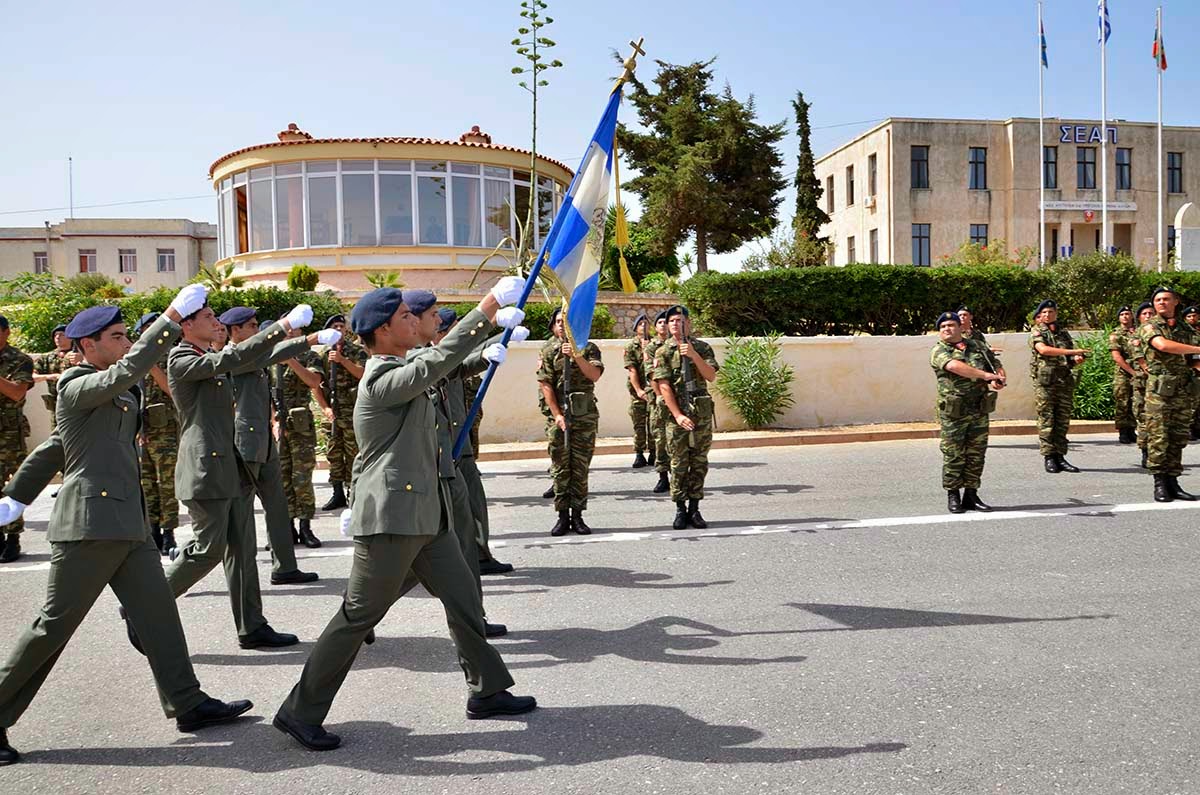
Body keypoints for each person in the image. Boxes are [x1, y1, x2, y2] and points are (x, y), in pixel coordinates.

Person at [272, 278, 537, 753]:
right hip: (392, 518)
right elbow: (437, 361)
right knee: (357, 617)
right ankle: (300, 710)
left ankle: (488, 689)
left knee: (462, 599)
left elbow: (441, 360)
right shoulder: (380, 378)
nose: (415, 321)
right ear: (382, 331)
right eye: (406, 318)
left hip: (426, 517)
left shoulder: (406, 362)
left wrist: (491, 333)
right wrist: (488, 306)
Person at [0, 292, 254, 766]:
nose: (123, 343)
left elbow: (58, 447)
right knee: (52, 627)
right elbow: (67, 437)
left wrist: (15, 496)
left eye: (124, 336)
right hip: (89, 527)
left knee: (158, 616)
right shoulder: (77, 386)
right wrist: (171, 319)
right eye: (116, 337)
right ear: (87, 345)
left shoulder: (120, 391)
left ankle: (188, 702)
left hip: (128, 523)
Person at [155, 301, 334, 652]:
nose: (216, 323)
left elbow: (259, 357)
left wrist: (307, 339)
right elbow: (234, 358)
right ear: (186, 326)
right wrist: (283, 325)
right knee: (209, 549)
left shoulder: (208, 354)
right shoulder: (183, 358)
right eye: (207, 317)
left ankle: (252, 625)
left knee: (241, 548)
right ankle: (146, 605)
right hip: (207, 469)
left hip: (228, 464)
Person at [407, 291, 518, 636]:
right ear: (412, 321)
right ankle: (358, 613)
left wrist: (486, 354)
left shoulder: (431, 357)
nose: (439, 320)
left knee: (464, 544)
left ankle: (474, 619)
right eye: (433, 314)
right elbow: (443, 357)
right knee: (399, 566)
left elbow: (453, 367)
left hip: (448, 466)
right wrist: (490, 313)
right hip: (423, 478)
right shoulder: (407, 360)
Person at [221, 307, 319, 586]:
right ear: (236, 331)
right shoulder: (232, 357)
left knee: (278, 505)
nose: (257, 329)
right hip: (244, 443)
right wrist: (310, 339)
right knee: (239, 512)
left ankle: (285, 566)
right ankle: (236, 572)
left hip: (263, 441)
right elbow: (275, 352)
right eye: (252, 325)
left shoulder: (254, 355)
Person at [439, 308, 521, 577]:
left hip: (460, 444)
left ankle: (480, 555)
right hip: (439, 450)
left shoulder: (448, 353)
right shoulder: (428, 357)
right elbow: (465, 356)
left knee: (474, 502)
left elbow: (472, 350)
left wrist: (503, 337)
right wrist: (496, 332)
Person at [929, 311, 1006, 513]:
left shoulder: (977, 346)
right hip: (955, 411)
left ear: (960, 328)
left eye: (951, 325)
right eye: (943, 326)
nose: (947, 329)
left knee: (976, 453)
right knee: (954, 454)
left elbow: (994, 363)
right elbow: (955, 366)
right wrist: (985, 375)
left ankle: (971, 495)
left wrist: (999, 377)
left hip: (979, 408)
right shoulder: (939, 350)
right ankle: (953, 495)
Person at [538, 307, 604, 536]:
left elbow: (594, 375)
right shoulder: (548, 350)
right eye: (557, 322)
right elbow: (545, 384)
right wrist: (556, 415)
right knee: (560, 467)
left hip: (584, 416)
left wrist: (576, 355)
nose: (561, 326)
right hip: (559, 418)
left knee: (580, 467)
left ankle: (578, 515)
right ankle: (562, 516)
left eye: (565, 322)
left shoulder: (589, 348)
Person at [653, 305, 720, 530]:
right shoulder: (662, 351)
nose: (675, 324)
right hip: (677, 416)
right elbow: (663, 386)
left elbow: (710, 375)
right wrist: (678, 415)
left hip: (700, 413)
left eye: (680, 320)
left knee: (699, 461)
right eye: (671, 321)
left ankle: (695, 508)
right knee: (679, 462)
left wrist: (693, 355)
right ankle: (680, 509)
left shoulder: (702, 347)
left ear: (688, 324)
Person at [1138, 286, 1200, 502]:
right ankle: (1160, 483)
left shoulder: (1187, 329)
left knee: (1178, 437)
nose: (1161, 303)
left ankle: (1173, 481)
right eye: (1158, 300)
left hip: (1183, 390)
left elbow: (1194, 361)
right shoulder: (1149, 326)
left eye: (1166, 299)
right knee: (1159, 437)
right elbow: (1162, 345)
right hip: (1160, 393)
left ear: (1176, 302)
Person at [273, 319, 326, 553]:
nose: (289, 333)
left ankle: (305, 526)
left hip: (301, 426)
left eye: (293, 330)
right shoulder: (269, 357)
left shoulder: (309, 356)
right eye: (286, 330)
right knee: (281, 479)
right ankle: (286, 527)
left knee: (302, 478)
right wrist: (272, 419)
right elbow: (263, 391)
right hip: (278, 427)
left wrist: (291, 360)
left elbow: (314, 382)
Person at [133, 312, 181, 555]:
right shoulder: (133, 359)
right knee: (146, 484)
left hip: (165, 432)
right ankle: (152, 530)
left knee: (167, 484)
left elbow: (172, 390)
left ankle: (169, 532)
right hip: (141, 432)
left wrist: (150, 365)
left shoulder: (169, 356)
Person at [1028, 299, 1089, 473]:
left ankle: (1060, 456)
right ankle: (1049, 457)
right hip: (1045, 384)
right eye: (1044, 312)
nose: (1048, 315)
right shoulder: (1037, 331)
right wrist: (1072, 352)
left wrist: (1076, 359)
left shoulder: (1063, 333)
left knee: (1062, 421)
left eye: (1051, 312)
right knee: (1047, 420)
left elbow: (1069, 359)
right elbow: (1044, 350)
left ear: (1056, 313)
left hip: (1063, 381)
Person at [316, 314, 366, 512]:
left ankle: (354, 493)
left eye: (341, 326)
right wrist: (325, 408)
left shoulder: (356, 351)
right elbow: (316, 384)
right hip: (333, 413)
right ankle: (337, 493)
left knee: (354, 453)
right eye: (333, 327)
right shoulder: (322, 354)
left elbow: (363, 374)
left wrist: (342, 360)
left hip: (353, 411)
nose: (338, 330)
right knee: (333, 453)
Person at [0, 315, 33, 564]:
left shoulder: (20, 360)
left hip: (10, 435)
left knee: (13, 488)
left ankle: (13, 538)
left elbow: (16, 393)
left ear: (6, 332)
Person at [31, 324, 78, 432]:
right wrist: (50, 376)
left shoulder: (79, 354)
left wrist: (81, 360)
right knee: (57, 436)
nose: (57, 337)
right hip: (57, 404)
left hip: (77, 402)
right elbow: (32, 377)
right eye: (56, 335)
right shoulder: (47, 357)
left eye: (61, 334)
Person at [646, 310, 671, 493]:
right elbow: (652, 375)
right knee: (661, 438)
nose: (663, 325)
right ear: (655, 327)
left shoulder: (679, 344)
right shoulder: (651, 348)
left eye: (665, 322)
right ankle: (663, 476)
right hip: (660, 400)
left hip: (679, 398)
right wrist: (660, 397)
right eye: (660, 322)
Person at [624, 313, 653, 469]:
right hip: (638, 392)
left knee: (654, 422)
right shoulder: (631, 346)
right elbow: (632, 370)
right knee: (639, 424)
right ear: (636, 328)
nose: (644, 325)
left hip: (654, 390)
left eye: (647, 323)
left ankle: (654, 453)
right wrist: (639, 390)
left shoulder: (655, 344)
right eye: (641, 323)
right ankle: (639, 453)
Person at [1108, 306, 1139, 445]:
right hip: (1123, 374)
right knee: (1123, 402)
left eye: (1128, 314)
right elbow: (1117, 357)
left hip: (1139, 372)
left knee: (1136, 401)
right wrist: (1132, 372)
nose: (1125, 316)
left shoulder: (1139, 332)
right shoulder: (1116, 334)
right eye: (1122, 314)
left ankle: (1132, 430)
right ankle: (1123, 432)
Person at [1132, 302, 1154, 468]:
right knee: (1144, 418)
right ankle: (1145, 452)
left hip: (1161, 385)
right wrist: (1156, 375)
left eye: (1150, 313)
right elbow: (1141, 360)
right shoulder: (1137, 336)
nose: (1148, 316)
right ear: (1139, 318)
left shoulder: (1161, 333)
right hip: (1143, 383)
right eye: (1145, 314)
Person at [1184, 306, 1200, 442]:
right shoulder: (1185, 333)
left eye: (1194, 316)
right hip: (1192, 370)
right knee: (1192, 401)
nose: (1192, 318)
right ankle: (1188, 428)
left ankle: (1197, 427)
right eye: (1189, 316)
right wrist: (1196, 366)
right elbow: (1191, 354)